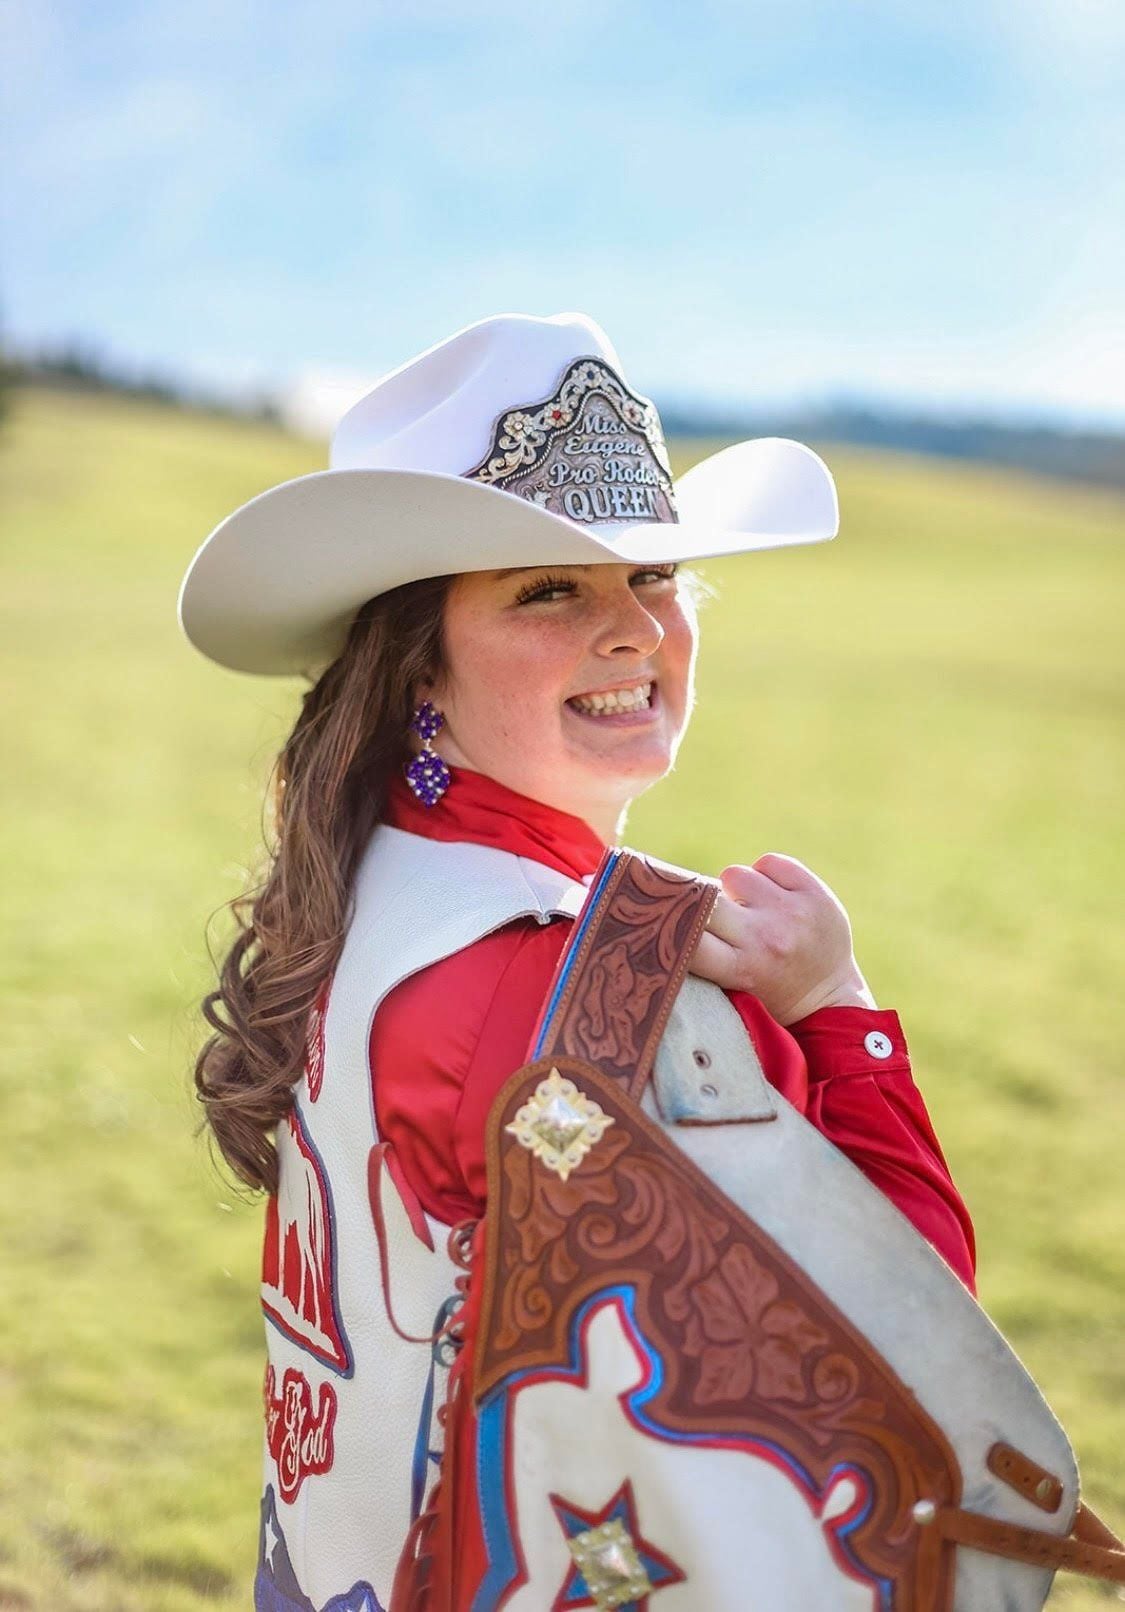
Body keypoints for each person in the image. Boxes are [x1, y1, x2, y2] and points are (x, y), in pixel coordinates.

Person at [181, 312, 1101, 1612]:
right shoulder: (622, 998)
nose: (634, 631)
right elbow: (908, 1354)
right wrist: (836, 1013)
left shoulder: (365, 870)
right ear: (417, 671)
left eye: (654, 578)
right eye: (547, 588)